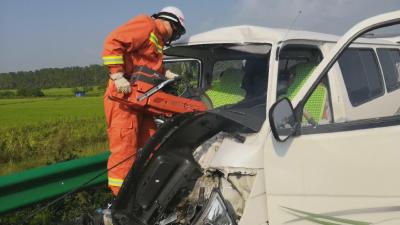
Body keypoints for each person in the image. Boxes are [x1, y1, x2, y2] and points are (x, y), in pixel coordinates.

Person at [102, 6, 186, 196]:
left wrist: (165, 74)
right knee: (125, 147)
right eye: (177, 30)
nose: (174, 35)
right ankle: (121, 196)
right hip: (123, 98)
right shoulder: (146, 24)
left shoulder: (156, 41)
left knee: (151, 143)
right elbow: (113, 41)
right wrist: (117, 74)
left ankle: (145, 189)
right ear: (169, 22)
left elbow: (147, 66)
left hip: (141, 102)